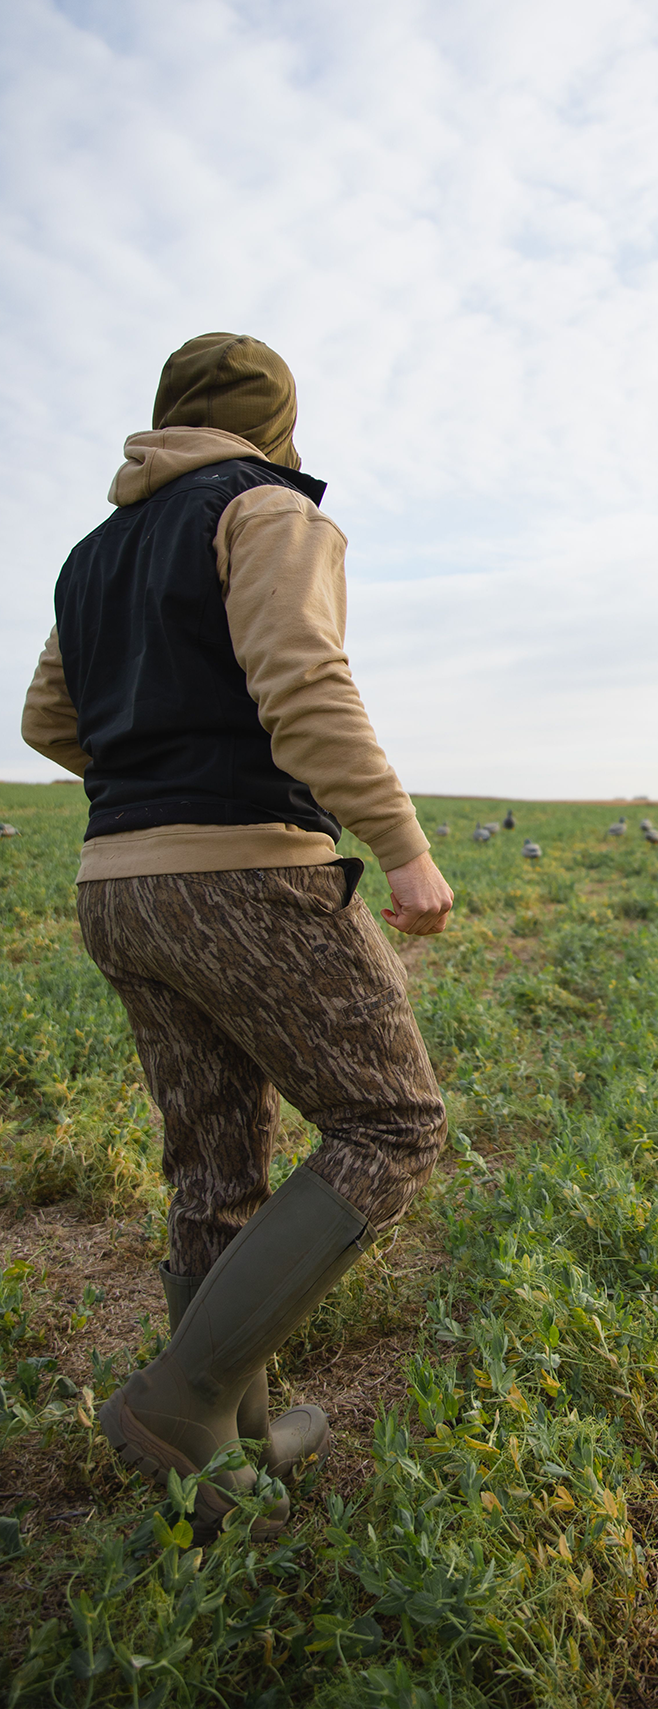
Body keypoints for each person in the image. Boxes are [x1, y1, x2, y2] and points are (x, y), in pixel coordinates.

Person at [21, 332, 453, 1539]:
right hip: (245, 873)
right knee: (392, 1123)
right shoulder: (265, 507)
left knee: (216, 1165)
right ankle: (189, 1398)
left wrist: (150, 766)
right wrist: (402, 844)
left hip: (117, 883)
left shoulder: (93, 554)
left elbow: (49, 719)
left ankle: (241, 1444)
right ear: (276, 422)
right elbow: (303, 680)